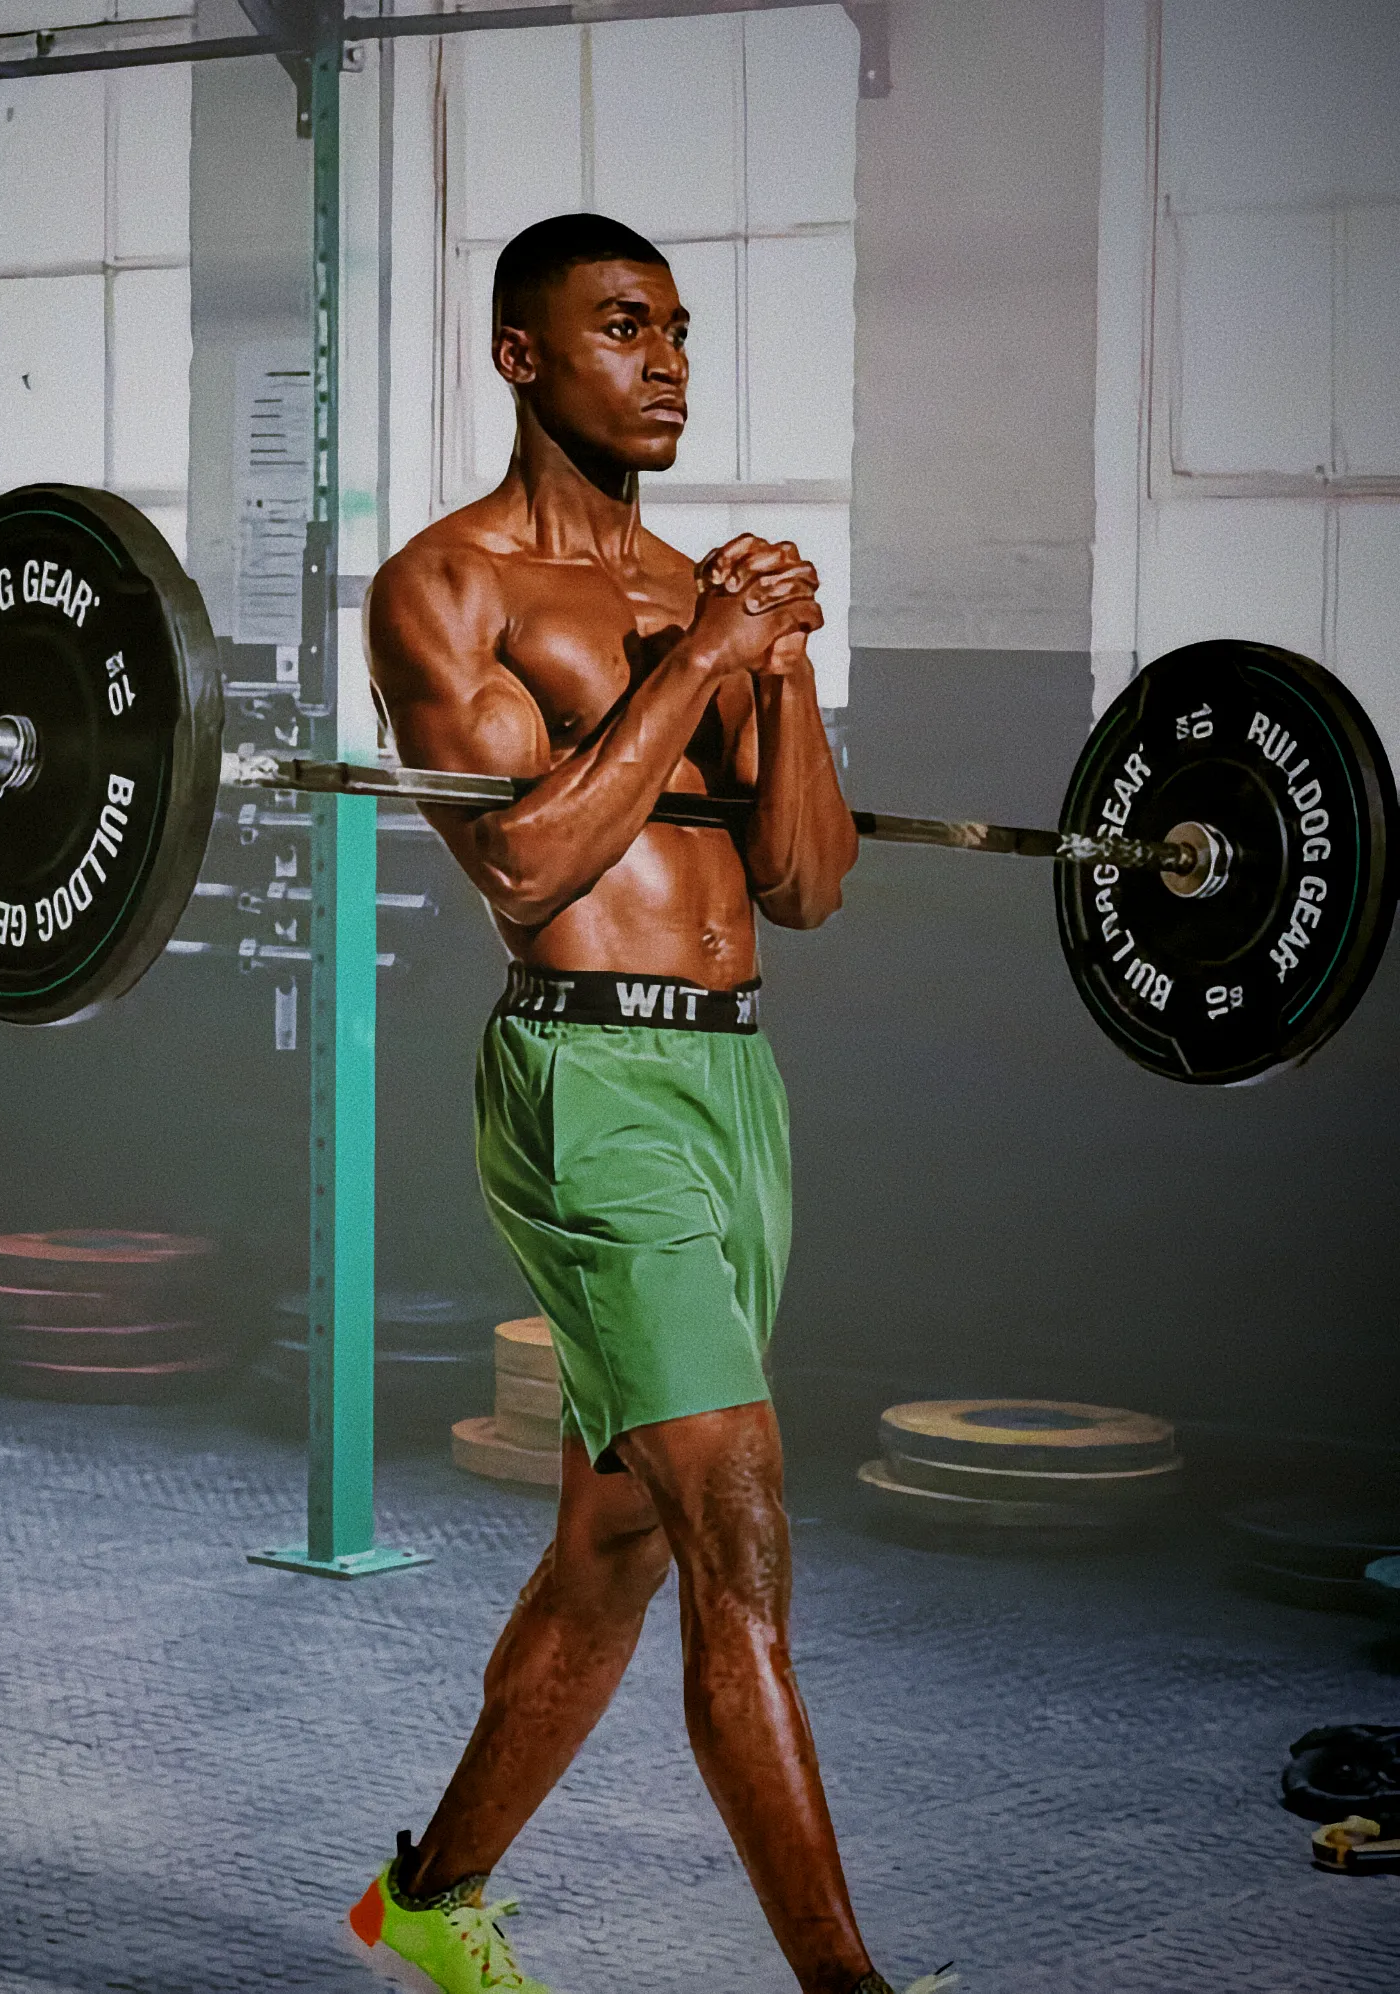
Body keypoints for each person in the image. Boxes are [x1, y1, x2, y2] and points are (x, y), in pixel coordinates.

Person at [345, 214, 951, 1994]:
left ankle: (430, 1900)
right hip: (585, 1076)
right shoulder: (446, 588)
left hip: (732, 1084)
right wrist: (701, 659)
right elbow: (524, 862)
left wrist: (780, 667)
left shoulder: (704, 590)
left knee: (612, 1540)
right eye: (624, 328)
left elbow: (810, 881)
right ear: (523, 357)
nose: (667, 361)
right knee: (738, 1526)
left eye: (678, 330)